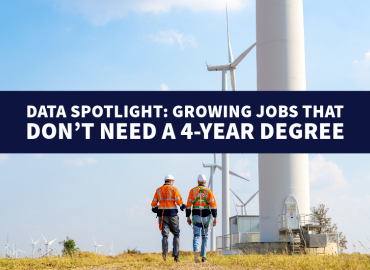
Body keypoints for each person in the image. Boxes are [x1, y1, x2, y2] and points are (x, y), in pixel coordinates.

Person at [151, 174, 186, 262]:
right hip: (172, 214)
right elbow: (179, 201)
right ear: (170, 181)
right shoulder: (173, 189)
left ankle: (164, 257)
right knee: (176, 234)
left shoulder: (158, 190)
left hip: (162, 215)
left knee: (165, 236)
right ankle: (176, 257)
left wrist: (156, 209)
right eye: (173, 182)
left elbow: (153, 204)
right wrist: (182, 206)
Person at [186, 174, 217, 263]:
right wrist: (215, 218)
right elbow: (213, 205)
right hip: (206, 216)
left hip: (196, 216)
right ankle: (203, 257)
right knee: (205, 237)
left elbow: (188, 206)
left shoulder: (192, 191)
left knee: (196, 235)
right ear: (205, 182)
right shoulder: (208, 191)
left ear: (197, 181)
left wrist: (188, 217)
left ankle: (196, 251)